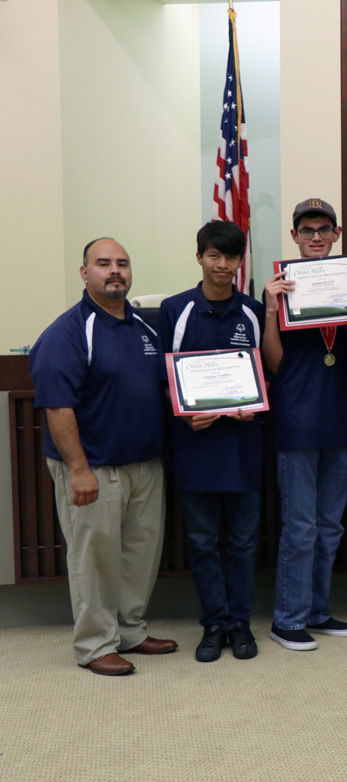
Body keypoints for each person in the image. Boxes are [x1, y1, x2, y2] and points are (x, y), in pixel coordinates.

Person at [30, 238, 176, 675]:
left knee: (138, 556)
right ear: (84, 273)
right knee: (94, 558)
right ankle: (95, 644)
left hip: (144, 464)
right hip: (93, 467)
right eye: (104, 263)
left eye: (122, 264)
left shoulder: (145, 326)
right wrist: (79, 470)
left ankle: (129, 630)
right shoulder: (67, 332)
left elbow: (166, 386)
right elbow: (58, 407)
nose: (115, 271)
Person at [262, 198, 347, 651]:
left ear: (337, 234)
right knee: (300, 526)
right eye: (308, 230)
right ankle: (288, 618)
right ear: (295, 237)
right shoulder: (279, 290)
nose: (317, 237)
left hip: (341, 417)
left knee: (330, 527)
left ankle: (317, 611)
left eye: (325, 229)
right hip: (298, 422)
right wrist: (271, 310)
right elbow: (275, 364)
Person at [159, 221, 264, 662]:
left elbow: (269, 373)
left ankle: (240, 623)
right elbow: (163, 377)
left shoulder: (254, 310)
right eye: (214, 256)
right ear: (199, 256)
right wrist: (184, 413)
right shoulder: (175, 309)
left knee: (243, 543)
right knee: (202, 542)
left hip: (243, 445)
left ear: (241, 261)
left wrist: (255, 404)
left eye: (231, 257)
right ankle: (213, 624)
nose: (223, 265)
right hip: (196, 447)